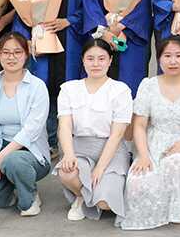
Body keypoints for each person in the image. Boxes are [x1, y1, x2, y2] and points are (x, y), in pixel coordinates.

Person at [13, 0, 88, 148]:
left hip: (71, 39)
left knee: (68, 88)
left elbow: (91, 6)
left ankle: (65, 141)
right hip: (42, 38)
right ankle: (42, 140)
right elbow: (23, 9)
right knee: (41, 87)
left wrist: (69, 20)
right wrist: (24, 39)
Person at [122, 36, 180, 230]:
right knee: (138, 181)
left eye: (178, 55)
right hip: (153, 143)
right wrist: (143, 155)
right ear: (159, 59)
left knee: (175, 165)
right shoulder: (148, 85)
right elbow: (139, 125)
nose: (173, 61)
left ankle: (179, 210)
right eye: (167, 56)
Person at [0, 32, 50, 216]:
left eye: (17, 52)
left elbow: (31, 130)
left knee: (14, 161)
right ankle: (11, 193)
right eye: (6, 52)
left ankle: (29, 198)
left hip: (30, 151)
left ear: (26, 55)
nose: (11, 57)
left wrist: (0, 158)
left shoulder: (37, 86)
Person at [55, 38, 132, 222]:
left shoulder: (120, 90)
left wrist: (100, 168)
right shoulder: (69, 89)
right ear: (82, 60)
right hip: (79, 147)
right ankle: (81, 197)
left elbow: (117, 135)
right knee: (67, 172)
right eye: (90, 58)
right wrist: (68, 154)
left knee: (105, 203)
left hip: (111, 150)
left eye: (101, 58)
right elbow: (64, 126)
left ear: (110, 60)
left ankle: (92, 194)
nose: (96, 64)